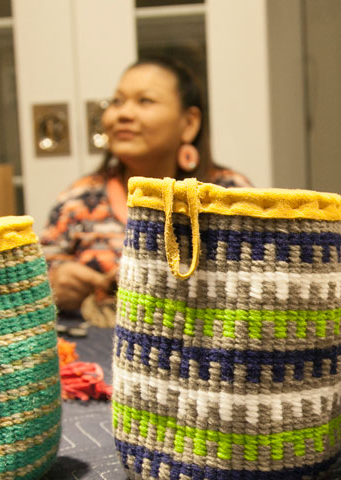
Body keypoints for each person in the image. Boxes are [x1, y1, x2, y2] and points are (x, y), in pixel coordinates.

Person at [42, 56, 251, 312]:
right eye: (117, 101)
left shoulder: (230, 194)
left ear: (189, 123)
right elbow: (34, 285)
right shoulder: (78, 199)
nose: (123, 114)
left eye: (145, 101)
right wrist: (53, 288)